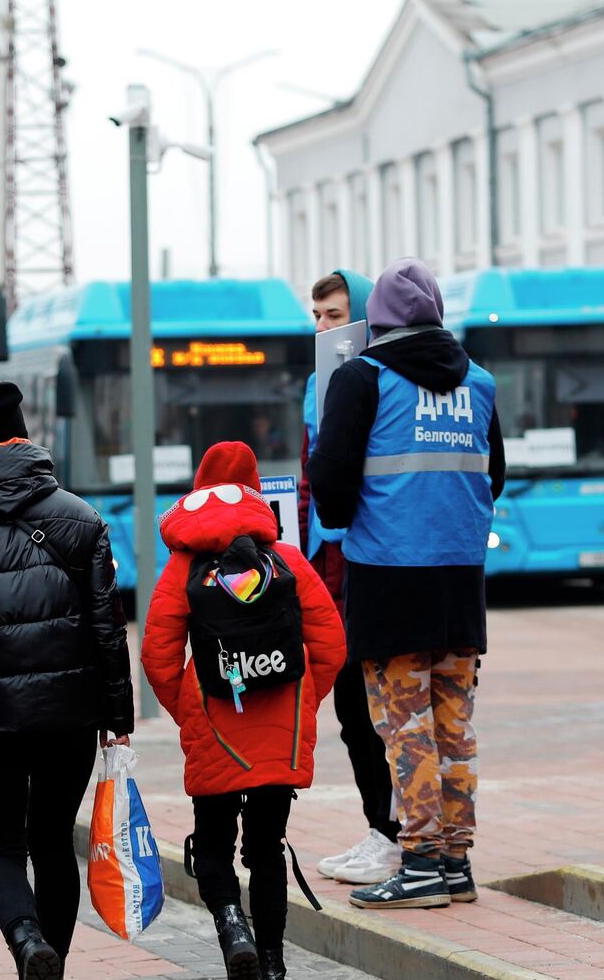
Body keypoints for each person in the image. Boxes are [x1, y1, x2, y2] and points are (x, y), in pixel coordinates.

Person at [310, 259, 505, 910]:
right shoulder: (478, 382)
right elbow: (493, 474)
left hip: (389, 573)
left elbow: (332, 484)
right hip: (460, 573)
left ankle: (417, 862)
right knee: (454, 720)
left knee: (403, 722)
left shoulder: (363, 378)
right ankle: (455, 861)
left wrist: (352, 517)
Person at [0, 381, 134, 977]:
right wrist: (118, 716)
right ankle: (51, 965)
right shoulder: (80, 515)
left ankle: (24, 939)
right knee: (53, 841)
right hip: (74, 711)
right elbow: (109, 626)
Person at [142, 442, 345, 980]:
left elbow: (159, 656)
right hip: (282, 728)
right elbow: (331, 645)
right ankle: (274, 964)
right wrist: (302, 697)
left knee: (213, 843)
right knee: (266, 847)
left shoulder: (183, 567)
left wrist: (189, 710)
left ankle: (233, 927)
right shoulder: (290, 562)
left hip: (214, 724)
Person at [300, 269, 401, 887]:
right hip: (324, 560)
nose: (322, 327)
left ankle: (394, 834)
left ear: (364, 317)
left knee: (376, 704)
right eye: (316, 316)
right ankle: (380, 827)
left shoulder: (380, 380)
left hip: (367, 557)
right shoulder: (320, 381)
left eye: (335, 315)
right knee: (348, 701)